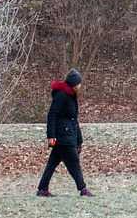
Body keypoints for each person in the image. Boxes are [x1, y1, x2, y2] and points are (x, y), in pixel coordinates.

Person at [36, 68, 94, 197]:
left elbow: (73, 120)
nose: (80, 86)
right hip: (63, 137)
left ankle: (42, 189)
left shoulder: (70, 95)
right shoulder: (62, 95)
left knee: (52, 164)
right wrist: (51, 136)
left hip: (68, 135)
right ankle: (83, 189)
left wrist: (79, 140)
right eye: (79, 83)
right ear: (74, 84)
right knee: (74, 163)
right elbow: (52, 115)